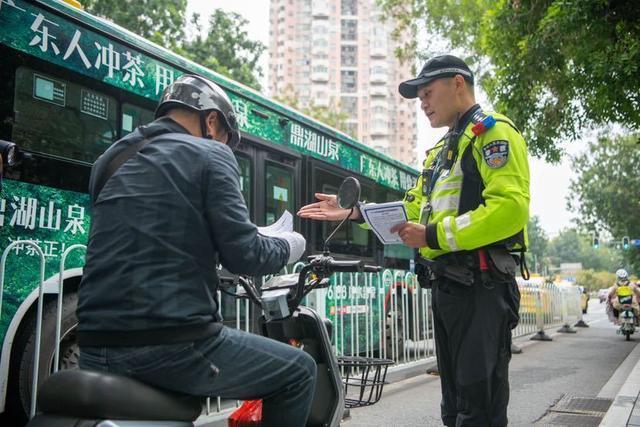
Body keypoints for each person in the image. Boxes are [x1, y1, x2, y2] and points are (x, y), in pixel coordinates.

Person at [298, 54, 529, 426]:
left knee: (479, 406)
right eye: (418, 96)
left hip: (482, 290)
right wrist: (355, 212)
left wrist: (433, 235)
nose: (422, 103)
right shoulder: (441, 153)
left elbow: (509, 211)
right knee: (453, 406)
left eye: (427, 93)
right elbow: (413, 207)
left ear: (458, 84)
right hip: (448, 289)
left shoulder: (494, 133)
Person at [76, 75, 316, 427]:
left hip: (94, 345)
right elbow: (245, 255)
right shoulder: (211, 154)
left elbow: (146, 230)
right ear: (212, 120)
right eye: (225, 139)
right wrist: (289, 245)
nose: (224, 146)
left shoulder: (109, 160)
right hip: (169, 343)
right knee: (299, 372)